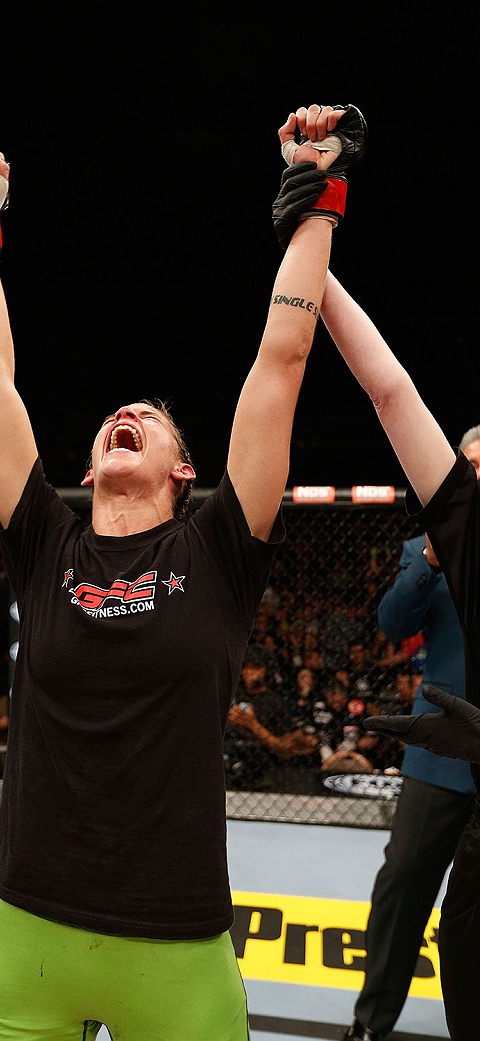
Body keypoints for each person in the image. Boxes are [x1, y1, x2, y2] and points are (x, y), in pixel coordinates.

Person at [0, 102, 365, 1041]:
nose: (124, 411)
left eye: (150, 413)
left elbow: (282, 359)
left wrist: (318, 195)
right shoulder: (44, 540)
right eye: (113, 415)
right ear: (91, 467)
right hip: (30, 927)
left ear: (185, 467)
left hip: (175, 942)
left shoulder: (215, 550)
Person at [309, 241, 480, 1039]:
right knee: (401, 891)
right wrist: (435, 557)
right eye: (464, 468)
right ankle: (370, 1025)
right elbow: (389, 626)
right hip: (439, 755)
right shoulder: (430, 546)